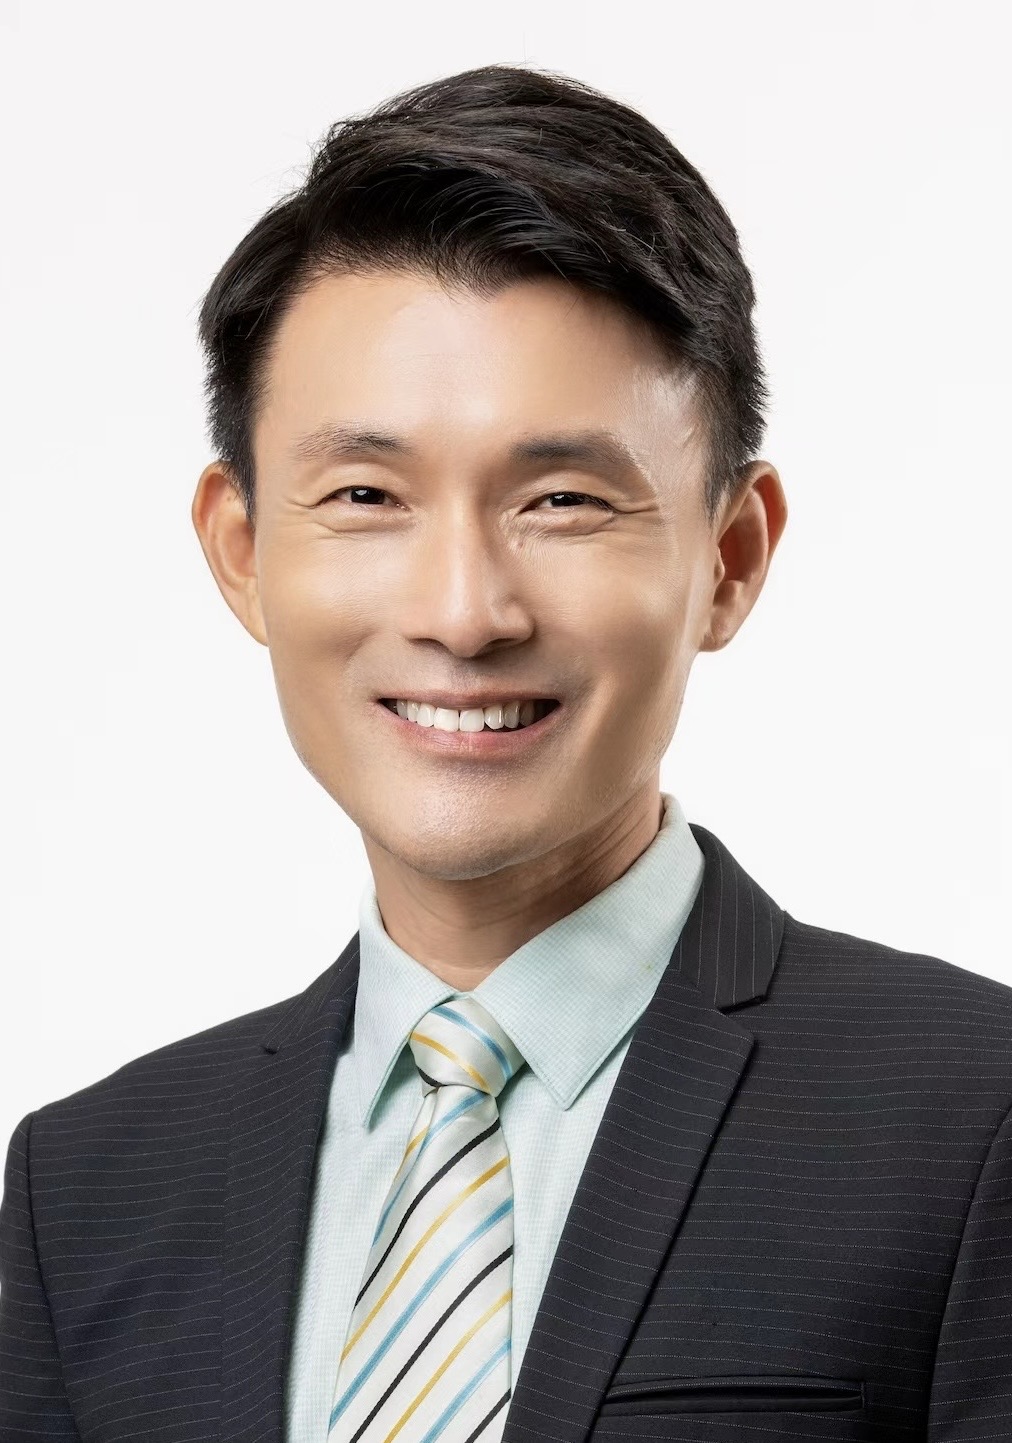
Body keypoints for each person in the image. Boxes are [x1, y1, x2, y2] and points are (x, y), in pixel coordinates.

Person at [2, 62, 1010, 1443]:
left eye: (564, 500)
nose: (465, 613)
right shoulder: (87, 1189)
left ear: (729, 557)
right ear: (242, 552)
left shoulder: (972, 1121)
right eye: (367, 494)